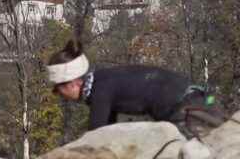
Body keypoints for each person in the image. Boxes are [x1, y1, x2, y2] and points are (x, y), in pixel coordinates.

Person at [47, 39, 225, 137]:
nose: (60, 96)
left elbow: (94, 139)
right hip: (201, 100)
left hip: (189, 112)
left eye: (58, 90)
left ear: (72, 83)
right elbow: (106, 133)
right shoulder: (103, 81)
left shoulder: (100, 91)